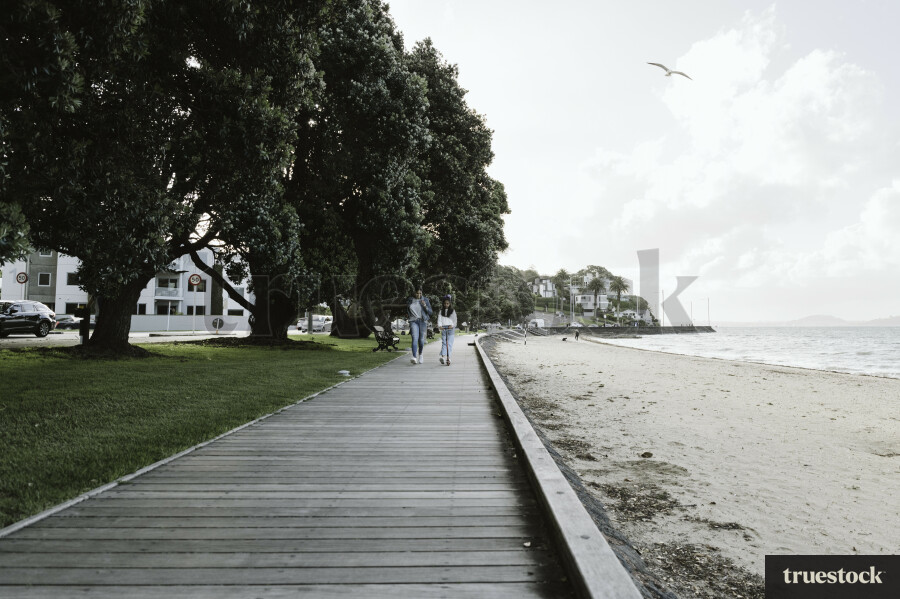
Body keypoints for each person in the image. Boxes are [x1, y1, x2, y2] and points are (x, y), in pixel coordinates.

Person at [407, 288, 432, 364]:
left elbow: (430, 312)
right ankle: (414, 357)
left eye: (420, 293)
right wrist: (408, 316)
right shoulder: (410, 300)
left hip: (422, 321)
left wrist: (425, 306)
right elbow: (408, 309)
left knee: (421, 340)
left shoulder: (425, 300)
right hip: (413, 321)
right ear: (414, 293)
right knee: (414, 338)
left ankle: (420, 354)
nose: (419, 295)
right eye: (417, 293)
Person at [437, 295, 457, 366]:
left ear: (450, 304)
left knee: (449, 343)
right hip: (444, 328)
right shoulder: (441, 311)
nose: (446, 305)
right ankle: (443, 356)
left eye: (447, 303)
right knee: (444, 343)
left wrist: (452, 325)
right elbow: (439, 320)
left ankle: (448, 357)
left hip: (450, 328)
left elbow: (455, 320)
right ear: (443, 304)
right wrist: (440, 326)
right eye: (445, 303)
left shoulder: (452, 311)